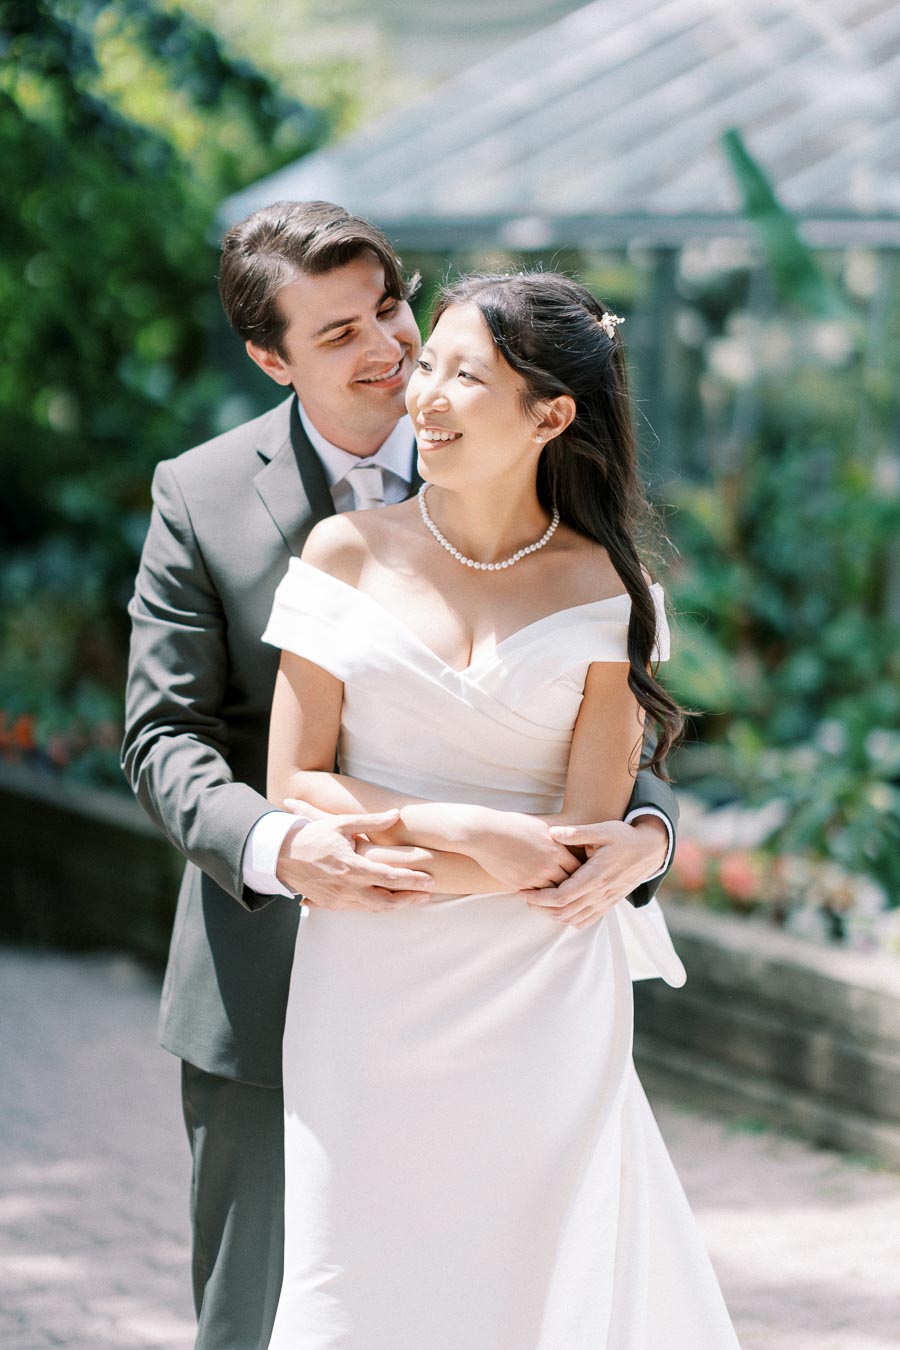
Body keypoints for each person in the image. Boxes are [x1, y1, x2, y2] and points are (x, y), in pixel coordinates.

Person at [121, 202, 679, 1350]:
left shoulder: (573, 539)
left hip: (518, 976)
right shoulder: (204, 495)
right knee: (273, 1313)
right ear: (272, 359)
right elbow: (166, 734)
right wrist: (284, 845)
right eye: (339, 335)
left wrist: (648, 835)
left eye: (392, 309)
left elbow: (614, 732)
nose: (388, 350)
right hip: (281, 966)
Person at [261, 271, 739, 1348]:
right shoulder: (345, 552)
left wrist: (514, 855)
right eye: (425, 363)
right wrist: (459, 827)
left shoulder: (608, 591)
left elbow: (573, 852)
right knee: (357, 1268)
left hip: (543, 991)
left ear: (551, 415)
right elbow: (294, 783)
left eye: (464, 376)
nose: (423, 395)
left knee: (530, 1276)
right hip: (367, 982)